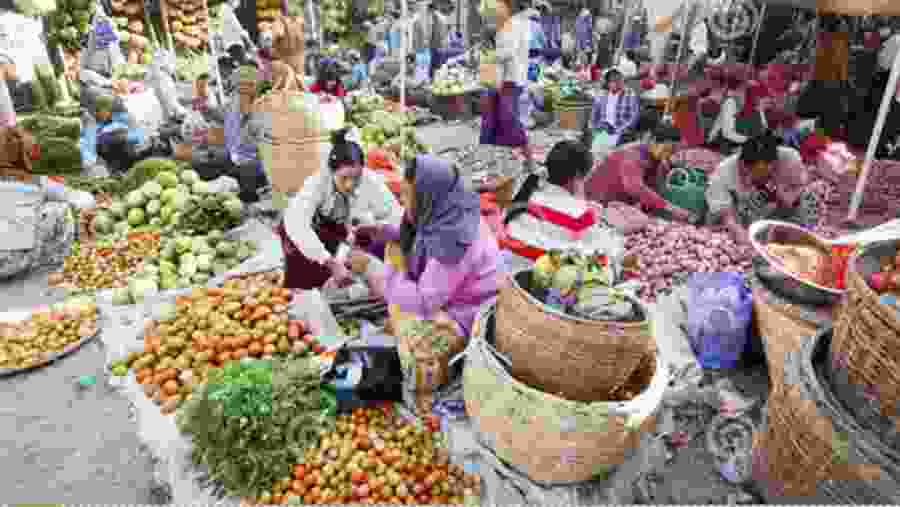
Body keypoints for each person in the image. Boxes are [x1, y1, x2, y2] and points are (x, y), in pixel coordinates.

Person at [346, 154, 500, 339]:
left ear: (426, 198)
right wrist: (385, 232)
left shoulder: (452, 242)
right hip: (455, 292)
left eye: (407, 195)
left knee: (411, 322)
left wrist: (373, 270)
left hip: (470, 314)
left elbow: (423, 301)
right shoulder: (449, 209)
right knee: (392, 252)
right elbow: (419, 232)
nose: (401, 200)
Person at [279, 128, 404, 291]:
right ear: (331, 171)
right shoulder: (316, 184)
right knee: (309, 275)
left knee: (375, 246)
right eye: (344, 178)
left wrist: (379, 228)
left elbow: (395, 214)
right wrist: (329, 262)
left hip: (343, 233)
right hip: (313, 233)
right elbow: (297, 224)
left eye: (356, 178)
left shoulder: (370, 180)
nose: (350, 185)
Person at [706, 133, 821, 247]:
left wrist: (785, 197)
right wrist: (737, 230)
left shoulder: (788, 157)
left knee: (804, 203)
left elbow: (797, 187)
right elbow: (724, 212)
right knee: (725, 220)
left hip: (776, 203)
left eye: (771, 167)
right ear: (743, 165)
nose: (766, 173)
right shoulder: (724, 172)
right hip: (744, 207)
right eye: (756, 173)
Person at [481, 0, 536, 173]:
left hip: (508, 80)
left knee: (508, 119)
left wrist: (489, 55)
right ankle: (498, 163)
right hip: (503, 79)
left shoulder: (515, 24)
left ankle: (529, 161)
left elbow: (508, 52)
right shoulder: (516, 24)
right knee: (494, 120)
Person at [584, 140, 692, 221]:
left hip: (615, 207)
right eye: (667, 149)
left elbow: (654, 188)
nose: (668, 154)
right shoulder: (632, 155)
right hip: (596, 200)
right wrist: (670, 208)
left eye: (672, 151)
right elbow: (634, 187)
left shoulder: (657, 160)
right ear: (653, 140)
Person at [79, 94, 149, 175]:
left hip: (123, 156)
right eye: (96, 111)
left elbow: (137, 135)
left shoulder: (121, 119)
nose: (96, 113)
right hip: (108, 158)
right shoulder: (93, 122)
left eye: (99, 110)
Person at [590, 69, 640, 148]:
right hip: (603, 131)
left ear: (622, 80)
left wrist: (619, 130)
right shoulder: (601, 95)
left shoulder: (630, 94)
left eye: (617, 79)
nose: (614, 82)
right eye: (611, 80)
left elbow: (634, 117)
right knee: (596, 149)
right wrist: (595, 130)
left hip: (621, 133)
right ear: (607, 82)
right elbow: (594, 115)